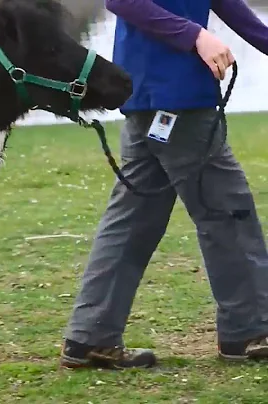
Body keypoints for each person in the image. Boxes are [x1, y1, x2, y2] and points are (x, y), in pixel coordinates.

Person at [59, 0, 268, 369]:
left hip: (150, 97)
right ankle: (250, 331)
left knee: (131, 221)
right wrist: (196, 36)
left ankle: (90, 336)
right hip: (176, 98)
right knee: (227, 213)